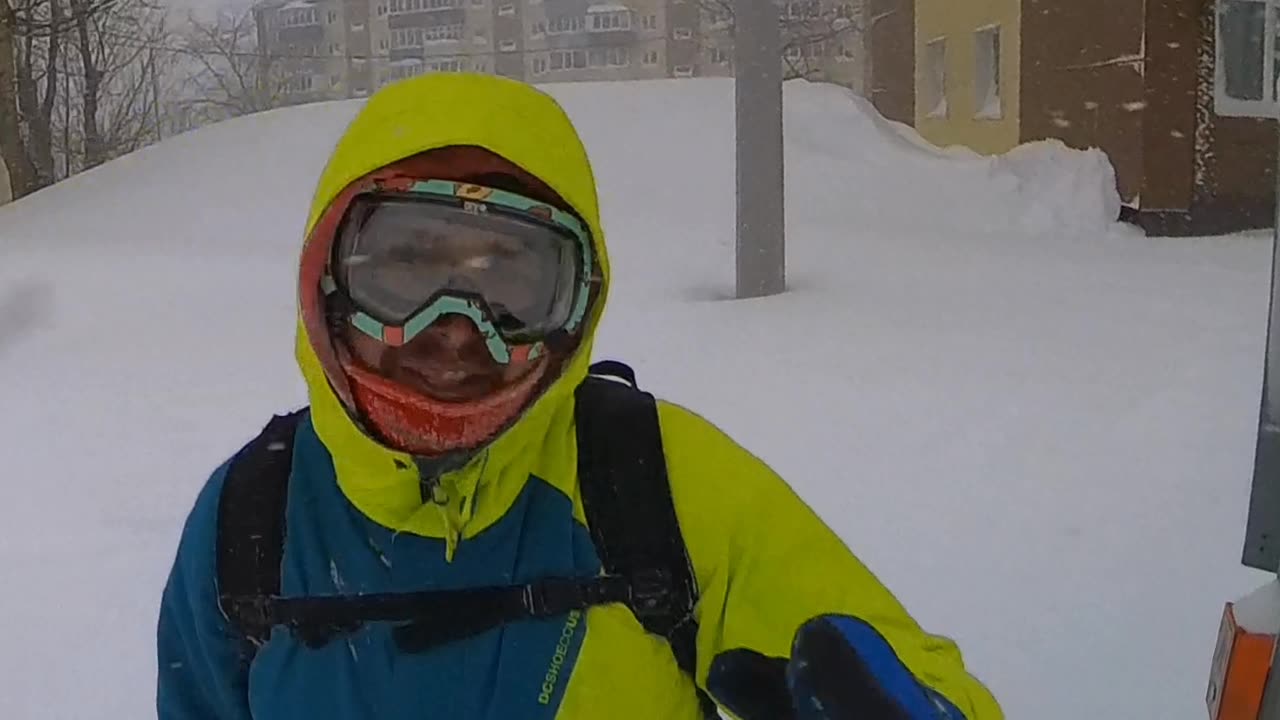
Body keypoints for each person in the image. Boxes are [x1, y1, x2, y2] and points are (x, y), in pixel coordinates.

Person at [156, 72, 1003, 720]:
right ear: (329, 279)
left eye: (514, 282)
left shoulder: (654, 481)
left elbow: (901, 668)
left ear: (578, 305)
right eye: (407, 267)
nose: (456, 329)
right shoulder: (249, 522)